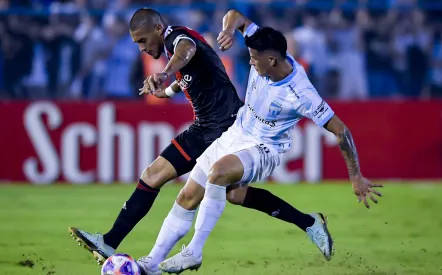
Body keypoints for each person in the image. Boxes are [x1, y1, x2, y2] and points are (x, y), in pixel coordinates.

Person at [68, 8, 325, 268]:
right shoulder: (175, 47)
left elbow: (186, 51)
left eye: (143, 41)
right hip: (206, 126)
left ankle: (125, 247)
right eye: (137, 44)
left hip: (224, 126)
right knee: (229, 193)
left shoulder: (177, 40)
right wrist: (168, 90)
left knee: (158, 178)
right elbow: (190, 73)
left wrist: (165, 73)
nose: (142, 48)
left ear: (158, 29)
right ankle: (309, 222)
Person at [137, 10, 384, 275]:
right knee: (193, 195)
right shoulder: (261, 43)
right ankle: (152, 264)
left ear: (272, 59)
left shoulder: (301, 94)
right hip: (235, 133)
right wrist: (231, 31)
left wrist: (355, 176)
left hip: (264, 148)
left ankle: (194, 252)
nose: (251, 63)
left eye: (254, 59)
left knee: (218, 174)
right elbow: (235, 15)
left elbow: (341, 131)